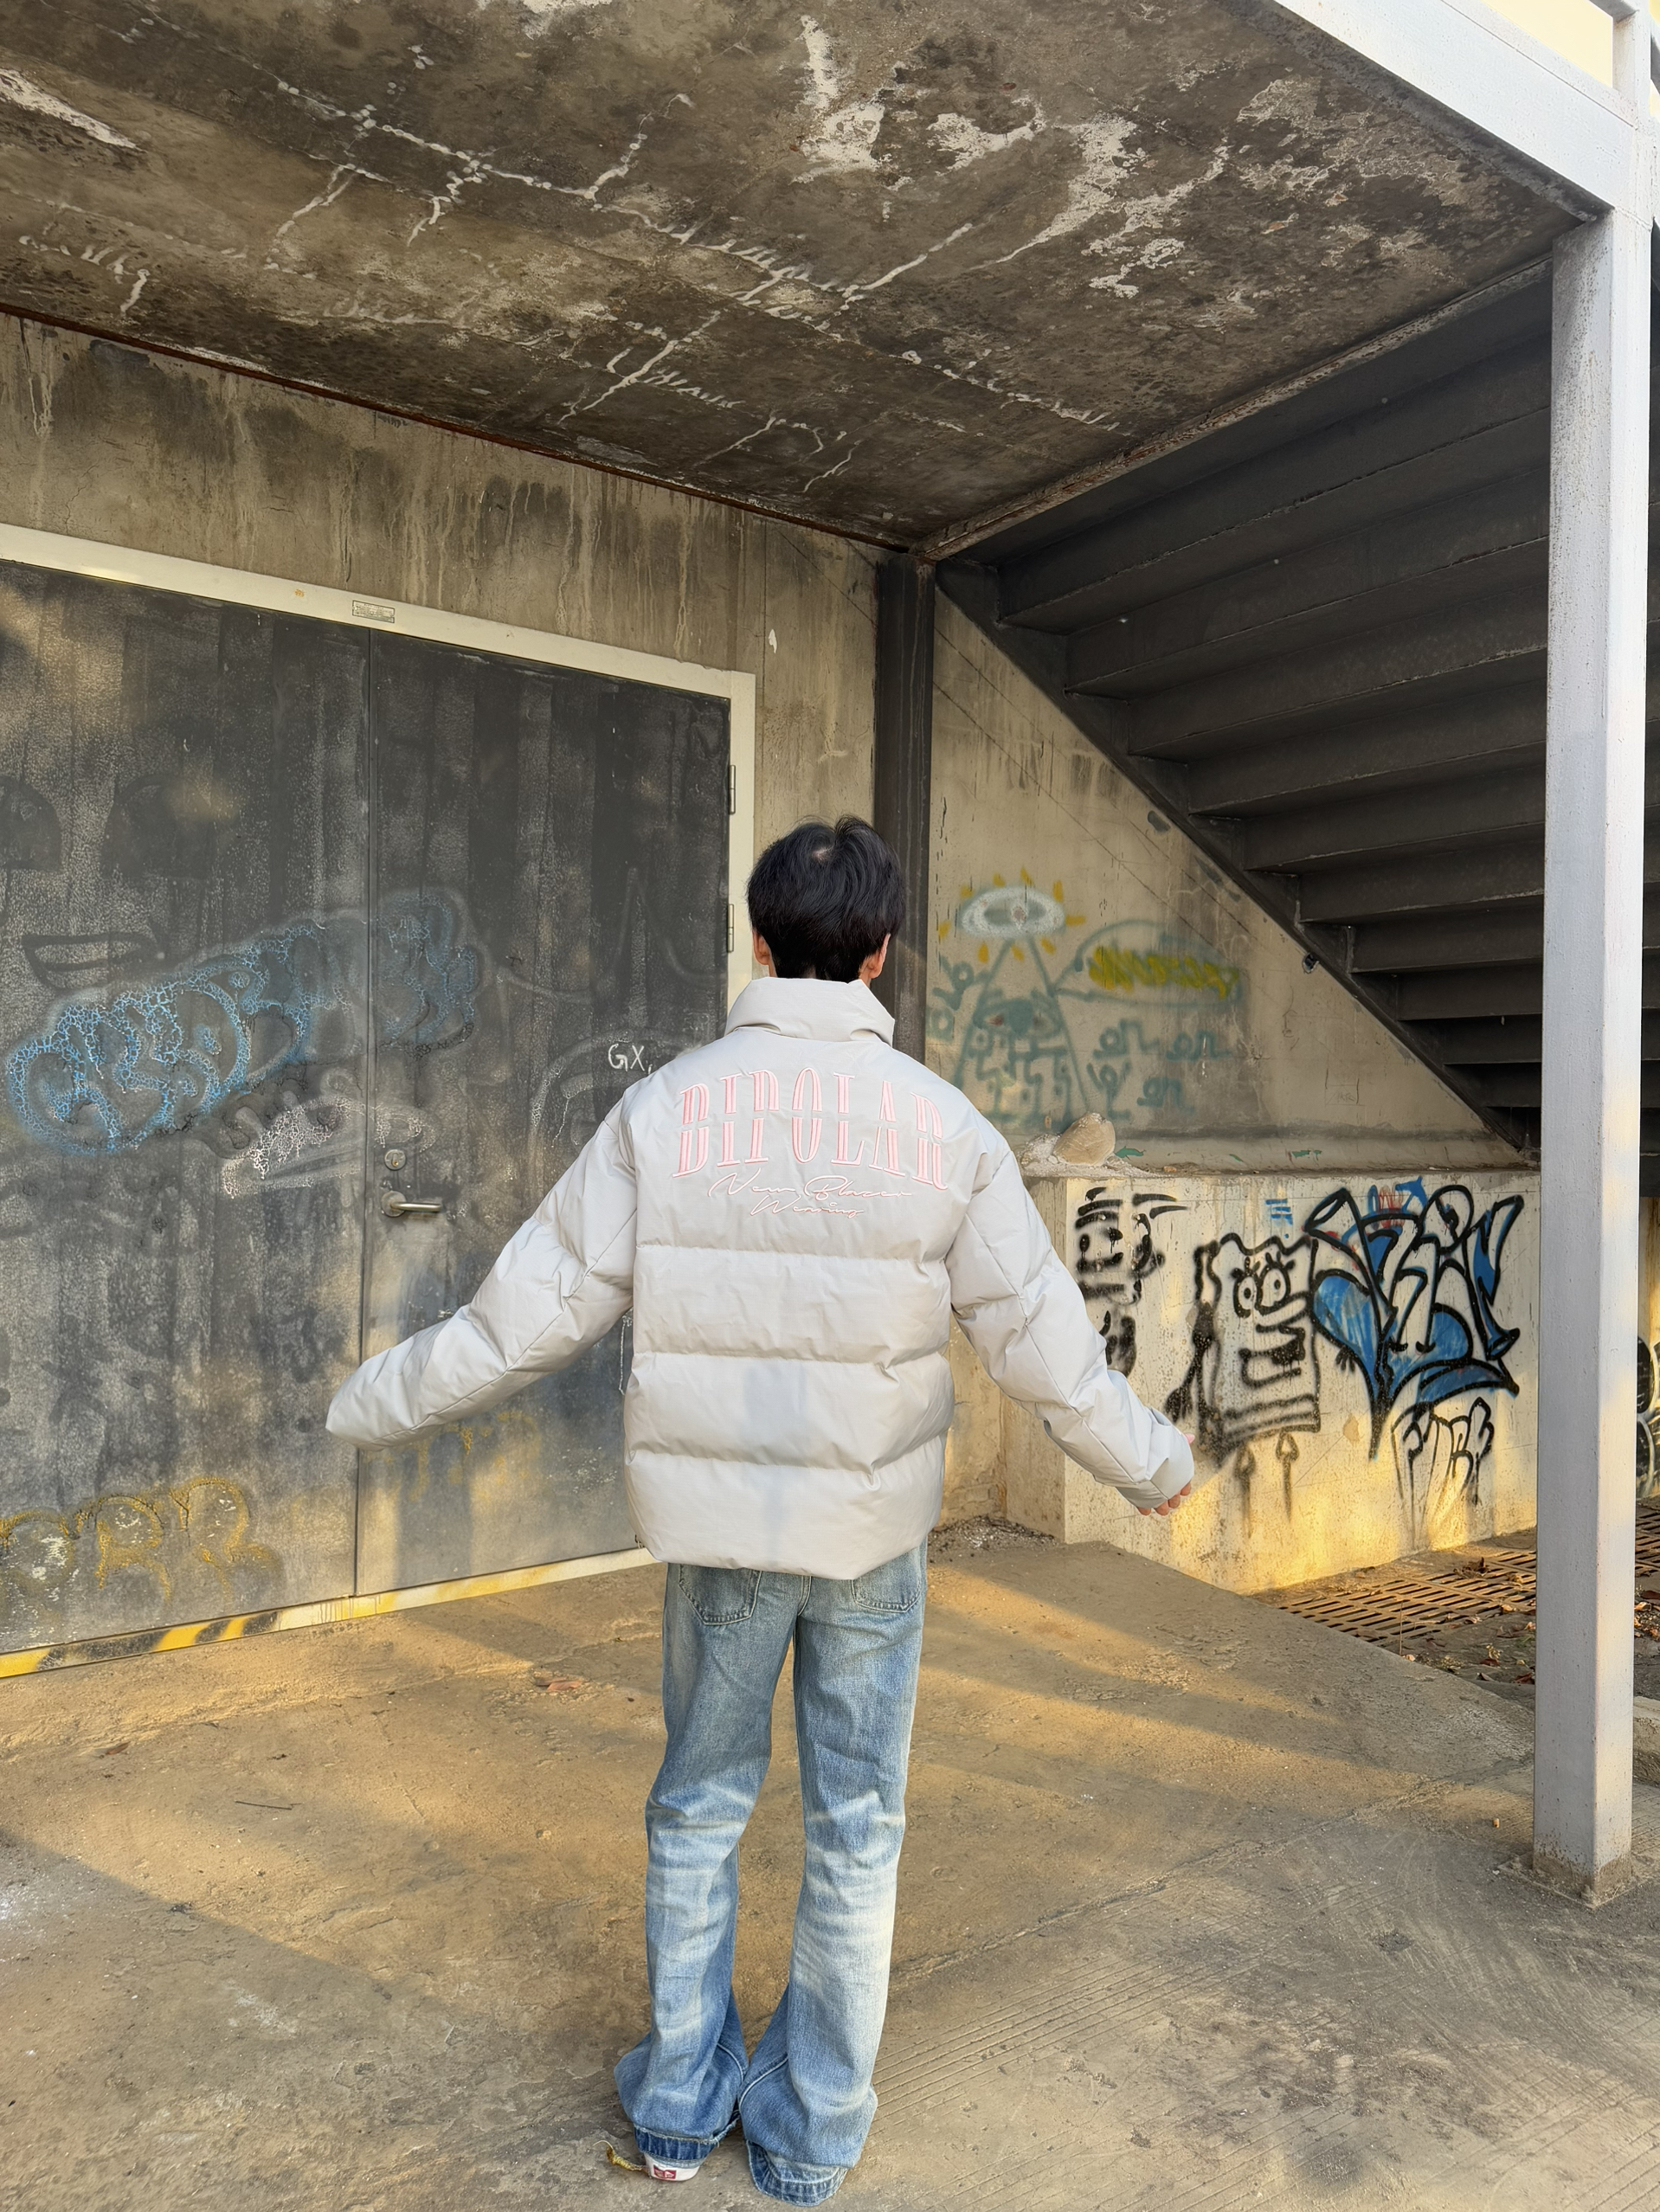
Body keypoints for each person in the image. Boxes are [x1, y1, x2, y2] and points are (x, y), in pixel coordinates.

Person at [327, 816, 1195, 2203]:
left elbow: (522, 1317)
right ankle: (808, 2138)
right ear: (881, 952)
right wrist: (1147, 1461)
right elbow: (1039, 1343)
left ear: (756, 939)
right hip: (868, 1544)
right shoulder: (943, 1126)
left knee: (697, 1810)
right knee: (856, 1827)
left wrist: (370, 1402)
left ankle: (678, 2113)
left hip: (723, 1540)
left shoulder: (664, 1110)